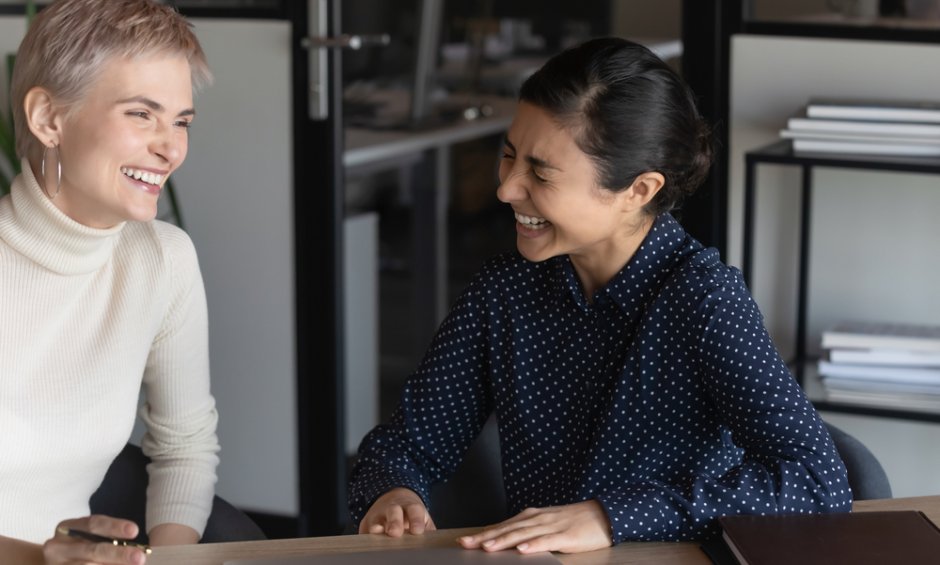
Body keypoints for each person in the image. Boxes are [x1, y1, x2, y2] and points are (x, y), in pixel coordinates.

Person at [348, 37, 852, 554]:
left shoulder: (703, 300)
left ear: (638, 190)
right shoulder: (504, 289)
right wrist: (393, 492)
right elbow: (404, 445)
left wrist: (610, 517)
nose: (506, 189)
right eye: (508, 155)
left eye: (541, 173)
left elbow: (817, 483)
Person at [0, 1, 219, 563]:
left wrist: (163, 559)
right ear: (49, 118)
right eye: (141, 114)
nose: (170, 147)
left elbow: (184, 447)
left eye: (181, 121)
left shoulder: (163, 260)